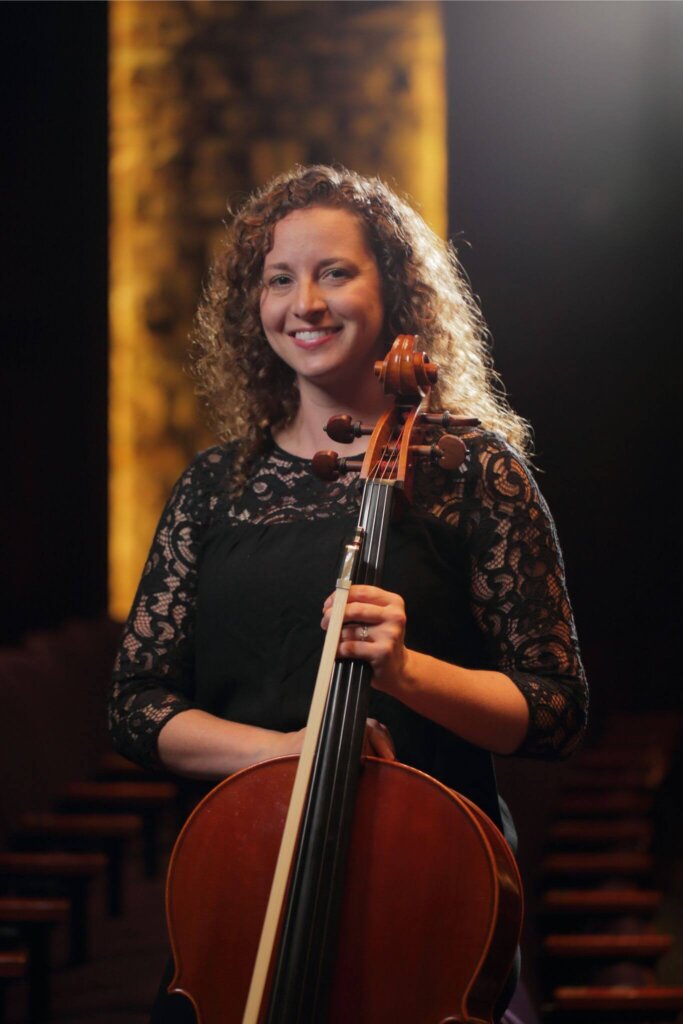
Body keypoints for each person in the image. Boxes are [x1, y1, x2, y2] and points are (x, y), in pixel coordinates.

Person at [108, 164, 587, 1023]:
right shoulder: (216, 487)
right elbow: (137, 706)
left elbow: (550, 710)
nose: (306, 304)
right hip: (245, 887)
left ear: (393, 289)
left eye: (335, 272)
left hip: (426, 889)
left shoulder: (473, 474)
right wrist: (288, 753)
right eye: (279, 279)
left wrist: (406, 674)